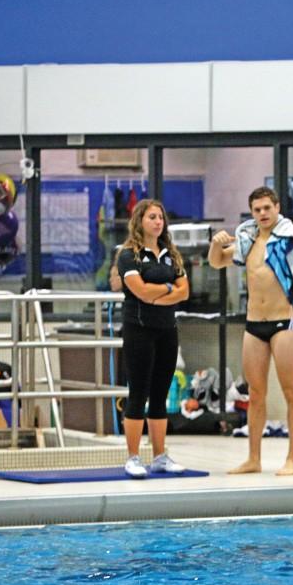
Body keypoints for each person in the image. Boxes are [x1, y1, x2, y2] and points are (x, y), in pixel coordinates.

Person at [208, 186, 293, 475]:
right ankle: (253, 458)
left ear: (277, 207)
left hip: (282, 323)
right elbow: (217, 261)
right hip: (254, 324)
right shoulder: (248, 241)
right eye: (257, 210)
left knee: (291, 391)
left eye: (267, 208)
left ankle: (292, 459)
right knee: (255, 393)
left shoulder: (292, 237)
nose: (262, 214)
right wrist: (215, 244)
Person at [116, 199, 190, 478]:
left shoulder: (172, 254)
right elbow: (141, 293)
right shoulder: (128, 255)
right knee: (138, 394)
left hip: (166, 330)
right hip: (139, 330)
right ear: (139, 221)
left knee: (160, 395)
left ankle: (160, 455)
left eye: (161, 217)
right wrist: (168, 289)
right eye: (152, 217)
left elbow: (184, 292)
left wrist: (159, 291)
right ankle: (133, 457)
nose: (158, 222)